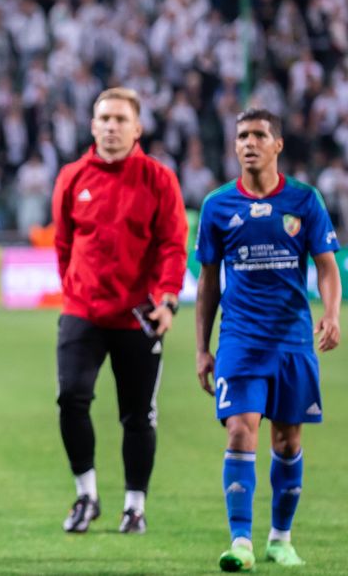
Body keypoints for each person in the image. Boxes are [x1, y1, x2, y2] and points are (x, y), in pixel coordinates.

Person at [195, 108, 341, 572]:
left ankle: (281, 538)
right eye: (242, 136)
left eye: (259, 134)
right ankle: (241, 541)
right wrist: (202, 347)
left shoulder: (304, 200)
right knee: (241, 430)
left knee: (287, 441)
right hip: (239, 340)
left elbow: (327, 267)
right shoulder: (217, 205)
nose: (249, 143)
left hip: (292, 342)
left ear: (278, 144)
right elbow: (207, 283)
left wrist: (332, 314)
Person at [51, 87, 187, 534]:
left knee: (137, 415)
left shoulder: (159, 179)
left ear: (137, 128)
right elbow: (64, 242)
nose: (111, 126)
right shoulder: (72, 176)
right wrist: (75, 288)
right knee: (71, 398)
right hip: (83, 311)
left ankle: (135, 505)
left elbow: (172, 244)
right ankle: (86, 495)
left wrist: (166, 300)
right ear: (92, 126)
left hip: (139, 314)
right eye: (104, 118)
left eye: (120, 119)